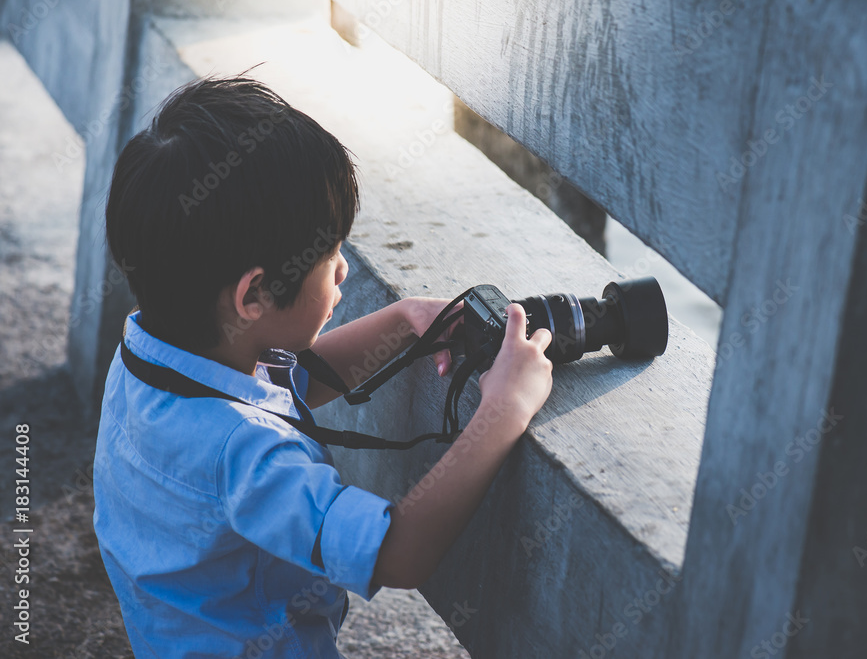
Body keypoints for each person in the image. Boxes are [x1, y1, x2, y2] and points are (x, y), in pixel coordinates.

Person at [93, 75, 553, 658]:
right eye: (331, 254)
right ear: (252, 296)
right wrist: (504, 410)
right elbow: (397, 552)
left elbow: (284, 381)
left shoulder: (149, 352)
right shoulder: (247, 456)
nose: (341, 271)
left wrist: (400, 320)